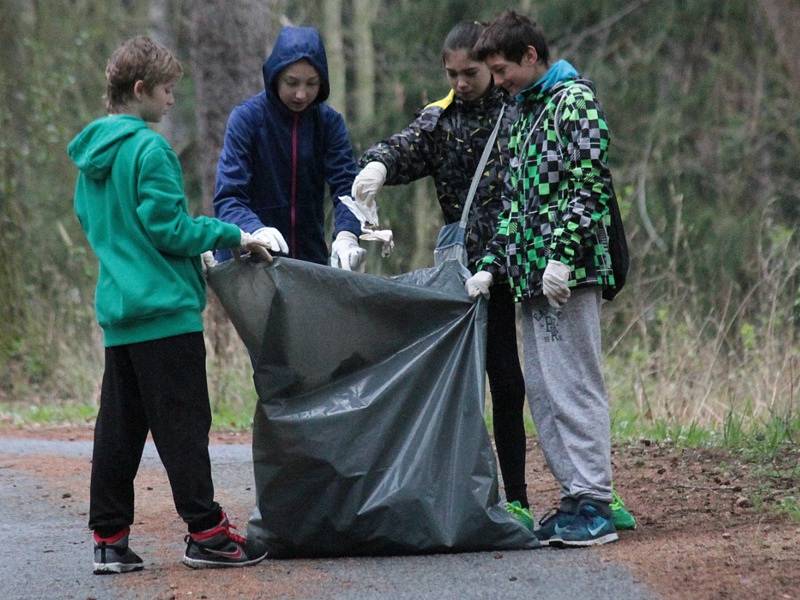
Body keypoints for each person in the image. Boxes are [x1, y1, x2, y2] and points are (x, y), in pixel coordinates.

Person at [67, 36, 271, 573]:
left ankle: (109, 539)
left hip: (120, 314)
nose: (172, 99)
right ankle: (206, 533)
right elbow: (168, 228)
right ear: (140, 90)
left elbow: (96, 224)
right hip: (165, 312)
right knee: (184, 426)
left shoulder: (91, 156)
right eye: (166, 89)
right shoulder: (149, 149)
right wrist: (234, 233)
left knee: (118, 431)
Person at [352, 22, 531, 525]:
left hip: (514, 262)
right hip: (460, 272)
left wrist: (501, 261)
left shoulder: (516, 112)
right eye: (451, 73)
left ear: (490, 67)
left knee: (507, 378)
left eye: (470, 72)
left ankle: (516, 494)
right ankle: (462, 494)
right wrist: (378, 167)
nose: (461, 83)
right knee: (457, 385)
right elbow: (406, 143)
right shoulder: (441, 119)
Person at [465, 10, 628, 546]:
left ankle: (596, 502)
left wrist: (562, 255)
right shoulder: (521, 110)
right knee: (544, 389)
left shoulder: (574, 102)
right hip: (530, 275)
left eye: (501, 68)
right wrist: (493, 263)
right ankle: (573, 496)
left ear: (530, 57)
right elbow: (514, 199)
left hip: (570, 274)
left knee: (575, 384)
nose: (498, 79)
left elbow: (590, 186)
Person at [213, 25, 365, 271]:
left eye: (312, 84)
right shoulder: (247, 120)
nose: (301, 94)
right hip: (248, 262)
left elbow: (347, 188)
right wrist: (255, 230)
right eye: (291, 82)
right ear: (275, 76)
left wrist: (347, 234)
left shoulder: (329, 123)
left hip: (308, 260)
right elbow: (228, 197)